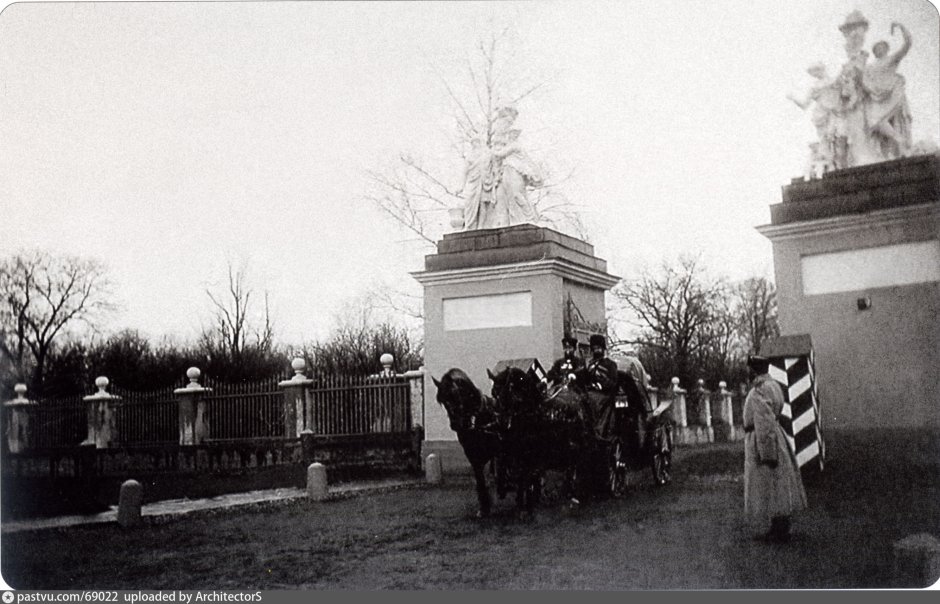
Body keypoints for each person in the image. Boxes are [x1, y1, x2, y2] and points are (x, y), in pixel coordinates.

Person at [742, 355, 808, 543]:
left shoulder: (759, 391)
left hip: (764, 440)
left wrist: (767, 453)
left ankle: (778, 530)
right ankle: (780, 527)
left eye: (749, 369)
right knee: (778, 484)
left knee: (770, 484)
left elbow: (764, 422)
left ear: (754, 370)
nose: (747, 372)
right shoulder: (774, 386)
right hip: (776, 437)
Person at [862, 22, 913, 159]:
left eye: (881, 46)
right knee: (874, 121)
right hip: (876, 97)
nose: (879, 49)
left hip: (892, 95)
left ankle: (899, 145)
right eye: (876, 47)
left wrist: (901, 27)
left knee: (880, 121)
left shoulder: (891, 59)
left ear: (886, 48)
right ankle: (898, 141)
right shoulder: (870, 67)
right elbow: (864, 81)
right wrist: (871, 89)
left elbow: (907, 44)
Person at [576, 334, 620, 439]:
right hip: (589, 393)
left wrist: (601, 385)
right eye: (594, 348)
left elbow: (613, 382)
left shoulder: (610, 364)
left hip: (604, 395)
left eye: (599, 348)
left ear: (603, 349)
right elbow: (584, 380)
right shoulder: (589, 365)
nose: (597, 351)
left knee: (592, 400)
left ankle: (597, 430)